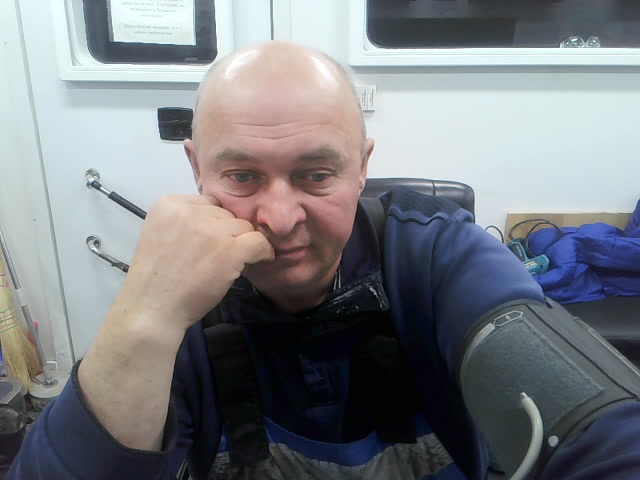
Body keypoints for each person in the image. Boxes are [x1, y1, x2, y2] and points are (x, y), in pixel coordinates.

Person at [8, 41, 640, 480]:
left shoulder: (438, 259)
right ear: (197, 169)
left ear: (361, 167)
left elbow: (603, 430)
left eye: (315, 175)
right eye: (242, 176)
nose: (281, 218)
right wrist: (145, 320)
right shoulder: (177, 305)